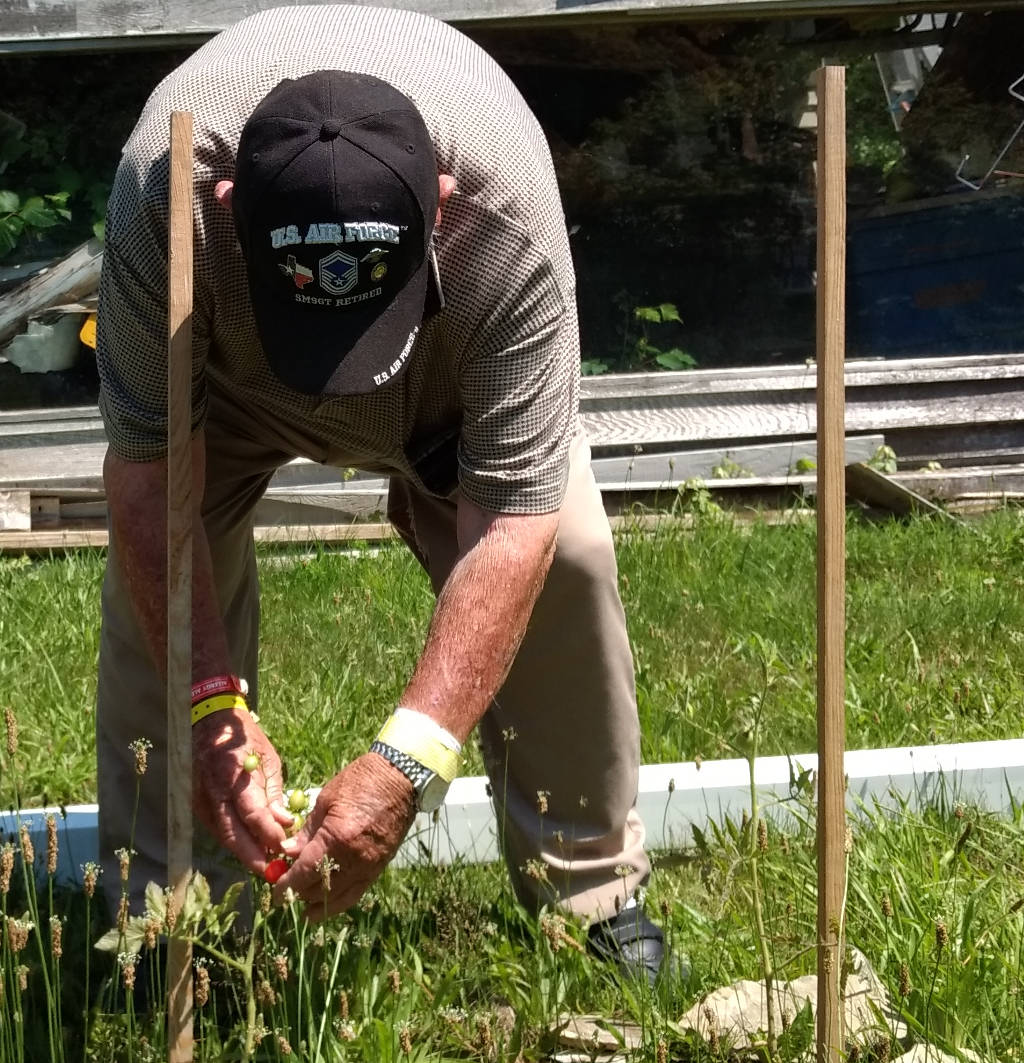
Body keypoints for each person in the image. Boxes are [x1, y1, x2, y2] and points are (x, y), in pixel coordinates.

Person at [95, 3, 667, 984]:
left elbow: (515, 522)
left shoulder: (507, 220)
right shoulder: (168, 199)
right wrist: (210, 703)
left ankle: (593, 893)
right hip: (228, 377)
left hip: (441, 378)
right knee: (157, 590)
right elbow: (151, 487)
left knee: (565, 555)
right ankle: (170, 922)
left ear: (439, 200)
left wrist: (410, 760)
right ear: (231, 206)